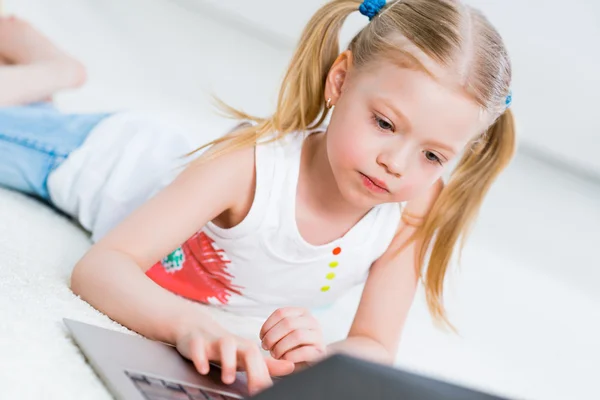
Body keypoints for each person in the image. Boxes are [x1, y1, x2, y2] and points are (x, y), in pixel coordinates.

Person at [0, 0, 515, 395]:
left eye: (433, 156)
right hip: (86, 158)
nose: (397, 164)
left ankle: (46, 78)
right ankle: (55, 72)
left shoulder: (415, 207)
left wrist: (322, 357)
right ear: (340, 80)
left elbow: (375, 343)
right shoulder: (245, 168)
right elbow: (101, 267)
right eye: (384, 123)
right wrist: (186, 324)